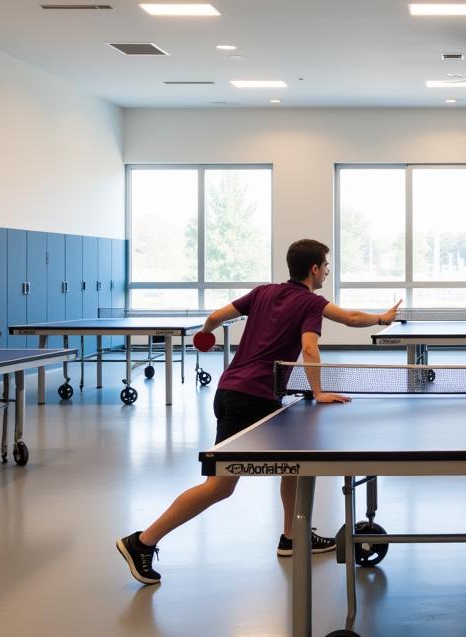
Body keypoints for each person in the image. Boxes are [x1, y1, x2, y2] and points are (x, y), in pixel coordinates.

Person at [116, 238, 401, 585]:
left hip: (230, 389)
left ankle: (293, 536)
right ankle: (142, 541)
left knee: (296, 462)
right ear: (314, 269)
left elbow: (214, 317)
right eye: (326, 265)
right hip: (253, 396)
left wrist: (206, 334)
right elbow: (311, 348)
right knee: (220, 486)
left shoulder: (262, 292)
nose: (327, 270)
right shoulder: (310, 302)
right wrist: (319, 391)